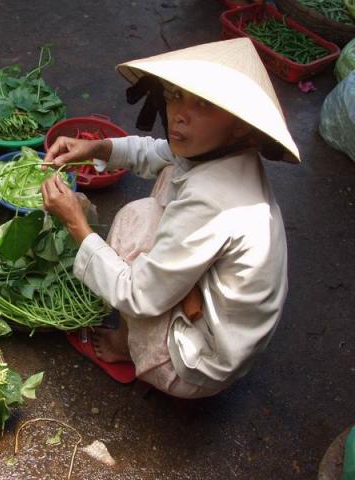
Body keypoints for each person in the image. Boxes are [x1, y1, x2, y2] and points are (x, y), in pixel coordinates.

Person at [41, 38, 300, 399]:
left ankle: (124, 346)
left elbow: (138, 296)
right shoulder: (222, 153)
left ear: (241, 124)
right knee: (167, 174)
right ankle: (170, 302)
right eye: (175, 95)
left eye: (203, 104)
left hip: (199, 365)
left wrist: (75, 225)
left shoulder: (215, 200)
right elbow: (157, 152)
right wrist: (97, 148)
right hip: (224, 325)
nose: (178, 113)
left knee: (136, 219)